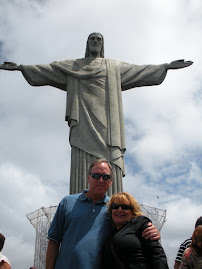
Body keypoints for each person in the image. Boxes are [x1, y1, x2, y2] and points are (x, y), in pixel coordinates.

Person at [0, 33, 193, 196]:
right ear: (87, 44)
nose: (95, 42)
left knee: (110, 155)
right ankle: (80, 198)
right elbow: (50, 69)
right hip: (83, 117)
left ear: (102, 45)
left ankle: (114, 201)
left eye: (98, 39)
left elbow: (139, 70)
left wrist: (165, 66)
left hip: (108, 121)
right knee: (82, 152)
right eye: (92, 39)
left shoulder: (113, 67)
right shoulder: (74, 66)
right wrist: (21, 67)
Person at [46, 159, 161, 269]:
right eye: (96, 175)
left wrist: (150, 230)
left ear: (111, 181)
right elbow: (54, 241)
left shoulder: (114, 208)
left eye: (106, 177)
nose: (101, 180)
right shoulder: (67, 202)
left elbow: (133, 227)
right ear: (89, 178)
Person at [101, 192, 169, 269]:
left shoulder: (140, 224)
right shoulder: (109, 231)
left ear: (133, 210)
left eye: (125, 207)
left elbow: (157, 254)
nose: (119, 210)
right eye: (115, 206)